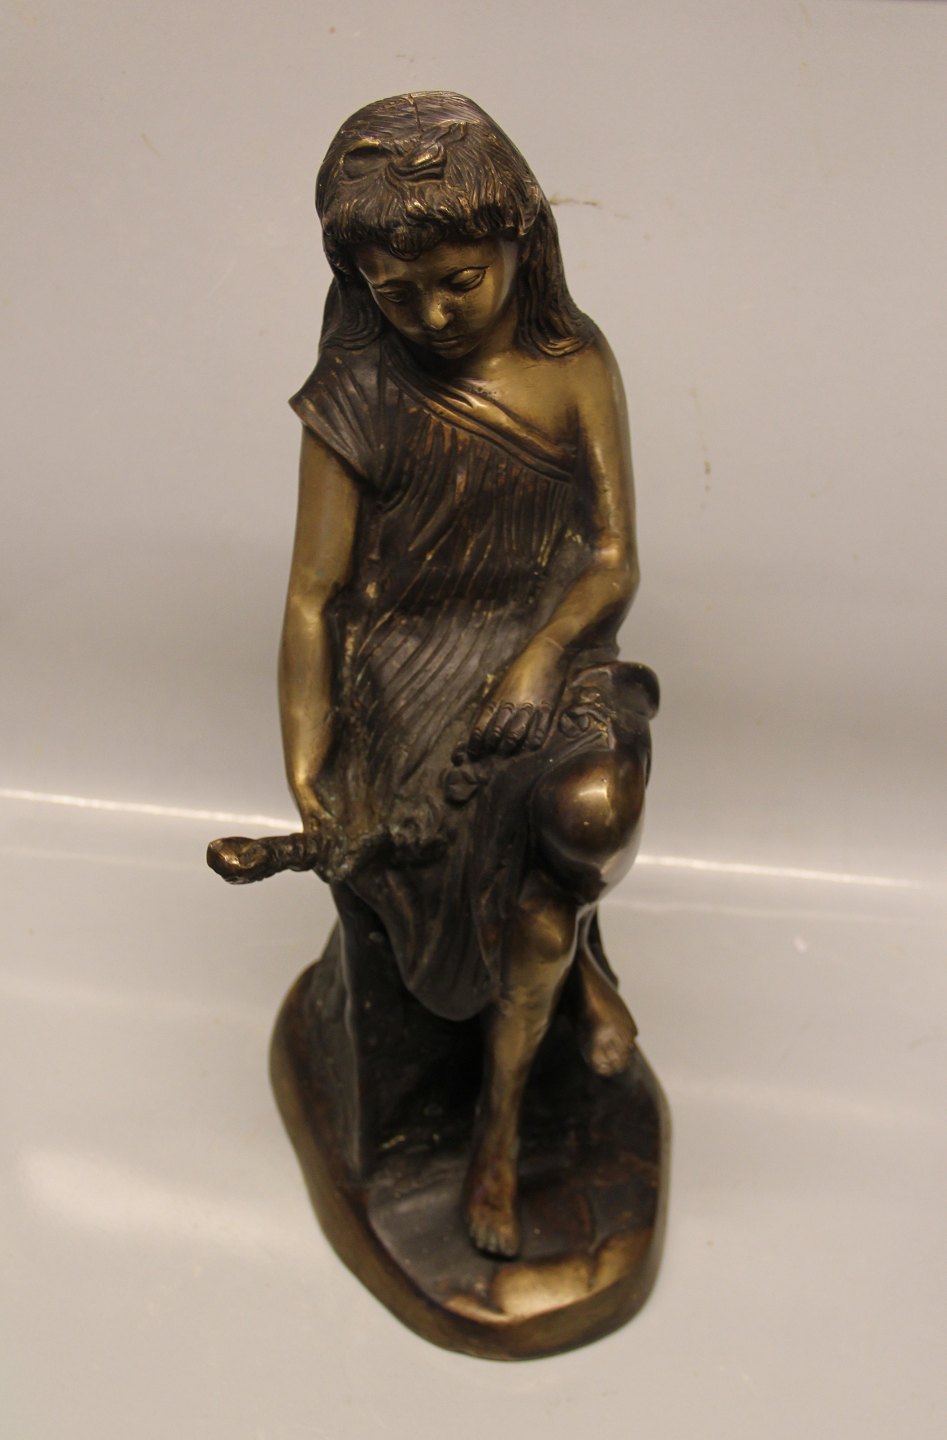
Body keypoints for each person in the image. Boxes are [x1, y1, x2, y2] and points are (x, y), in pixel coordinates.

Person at [279, 92, 657, 1258]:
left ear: (518, 246)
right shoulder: (356, 397)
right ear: (358, 286)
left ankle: (527, 1061)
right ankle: (505, 1101)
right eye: (398, 294)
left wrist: (539, 660)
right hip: (404, 674)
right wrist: (306, 762)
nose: (434, 316)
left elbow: (610, 557)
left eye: (459, 282)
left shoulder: (571, 366)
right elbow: (313, 599)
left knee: (588, 809)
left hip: (552, 647)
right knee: (483, 883)